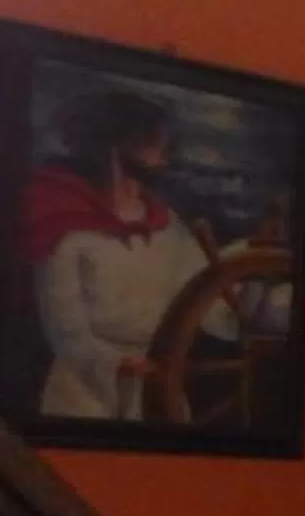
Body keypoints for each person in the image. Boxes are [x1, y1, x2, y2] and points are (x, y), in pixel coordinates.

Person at [17, 89, 227, 421]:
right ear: (118, 147)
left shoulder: (169, 228)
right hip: (82, 397)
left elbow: (211, 301)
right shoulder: (67, 228)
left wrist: (255, 309)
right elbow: (66, 330)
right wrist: (116, 365)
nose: (166, 155)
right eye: (155, 143)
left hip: (160, 392)